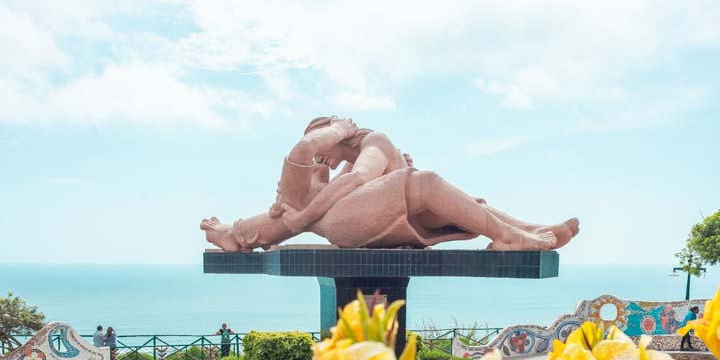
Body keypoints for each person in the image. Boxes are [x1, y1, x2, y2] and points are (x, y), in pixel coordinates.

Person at [202, 115, 579, 252]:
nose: (321, 160)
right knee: (427, 182)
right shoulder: (359, 155)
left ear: (336, 139)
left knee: (464, 201)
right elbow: (352, 180)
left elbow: (357, 182)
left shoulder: (372, 144)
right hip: (353, 225)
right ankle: (513, 235)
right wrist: (301, 218)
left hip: (377, 222)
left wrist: (301, 217)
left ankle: (526, 230)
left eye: (324, 150)